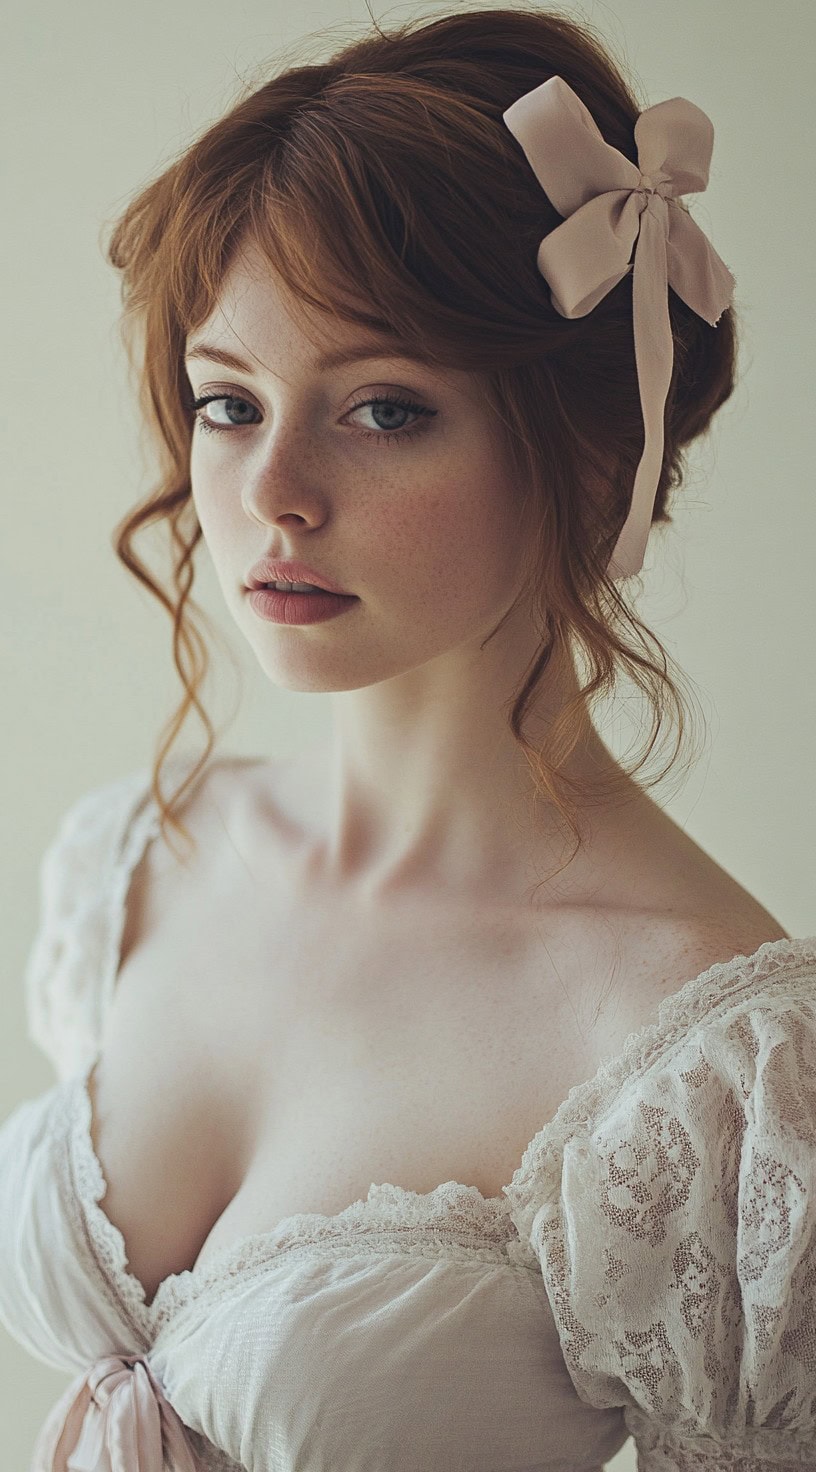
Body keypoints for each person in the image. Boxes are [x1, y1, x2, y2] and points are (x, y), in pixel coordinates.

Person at [1, 8, 813, 1471]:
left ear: (588, 446)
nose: (273, 493)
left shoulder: (715, 1072)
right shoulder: (136, 864)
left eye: (383, 409)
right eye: (229, 404)